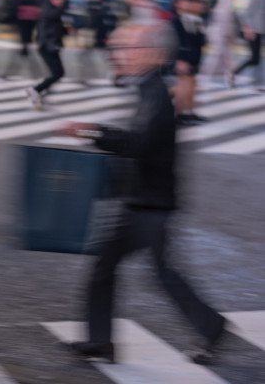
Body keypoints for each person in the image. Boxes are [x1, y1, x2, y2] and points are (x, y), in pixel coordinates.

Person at [59, 22, 227, 365]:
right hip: (146, 198)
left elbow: (137, 144)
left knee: (135, 271)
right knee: (133, 270)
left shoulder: (155, 93)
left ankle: (208, 326)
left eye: (126, 48)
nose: (118, 55)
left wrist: (89, 131)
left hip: (149, 203)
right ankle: (104, 341)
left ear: (151, 53)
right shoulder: (149, 88)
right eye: (116, 47)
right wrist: (96, 130)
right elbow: (138, 138)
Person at [25, 0, 68, 111]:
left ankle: (40, 95)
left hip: (51, 45)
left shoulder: (50, 9)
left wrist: (65, 31)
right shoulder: (48, 9)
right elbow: (56, 15)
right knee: (57, 73)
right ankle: (35, 90)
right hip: (47, 47)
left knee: (56, 74)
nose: (61, 1)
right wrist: (67, 0)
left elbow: (54, 26)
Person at [171, 0, 207, 126]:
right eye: (186, 2)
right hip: (183, 59)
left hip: (193, 58)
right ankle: (180, 115)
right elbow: (179, 40)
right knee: (182, 86)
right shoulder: (177, 20)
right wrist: (180, 59)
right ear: (177, 4)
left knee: (191, 86)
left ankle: (189, 113)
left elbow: (200, 41)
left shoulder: (195, 20)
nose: (192, 5)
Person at [202, 0, 239, 89]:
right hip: (221, 34)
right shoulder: (228, 3)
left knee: (224, 56)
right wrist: (227, 34)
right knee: (222, 56)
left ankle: (229, 75)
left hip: (218, 33)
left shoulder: (221, 2)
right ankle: (208, 75)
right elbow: (225, 20)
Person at [234, 0, 264, 88]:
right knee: (255, 58)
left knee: (256, 59)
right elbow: (246, 14)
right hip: (254, 31)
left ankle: (258, 80)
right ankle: (234, 71)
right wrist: (249, 29)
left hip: (258, 30)